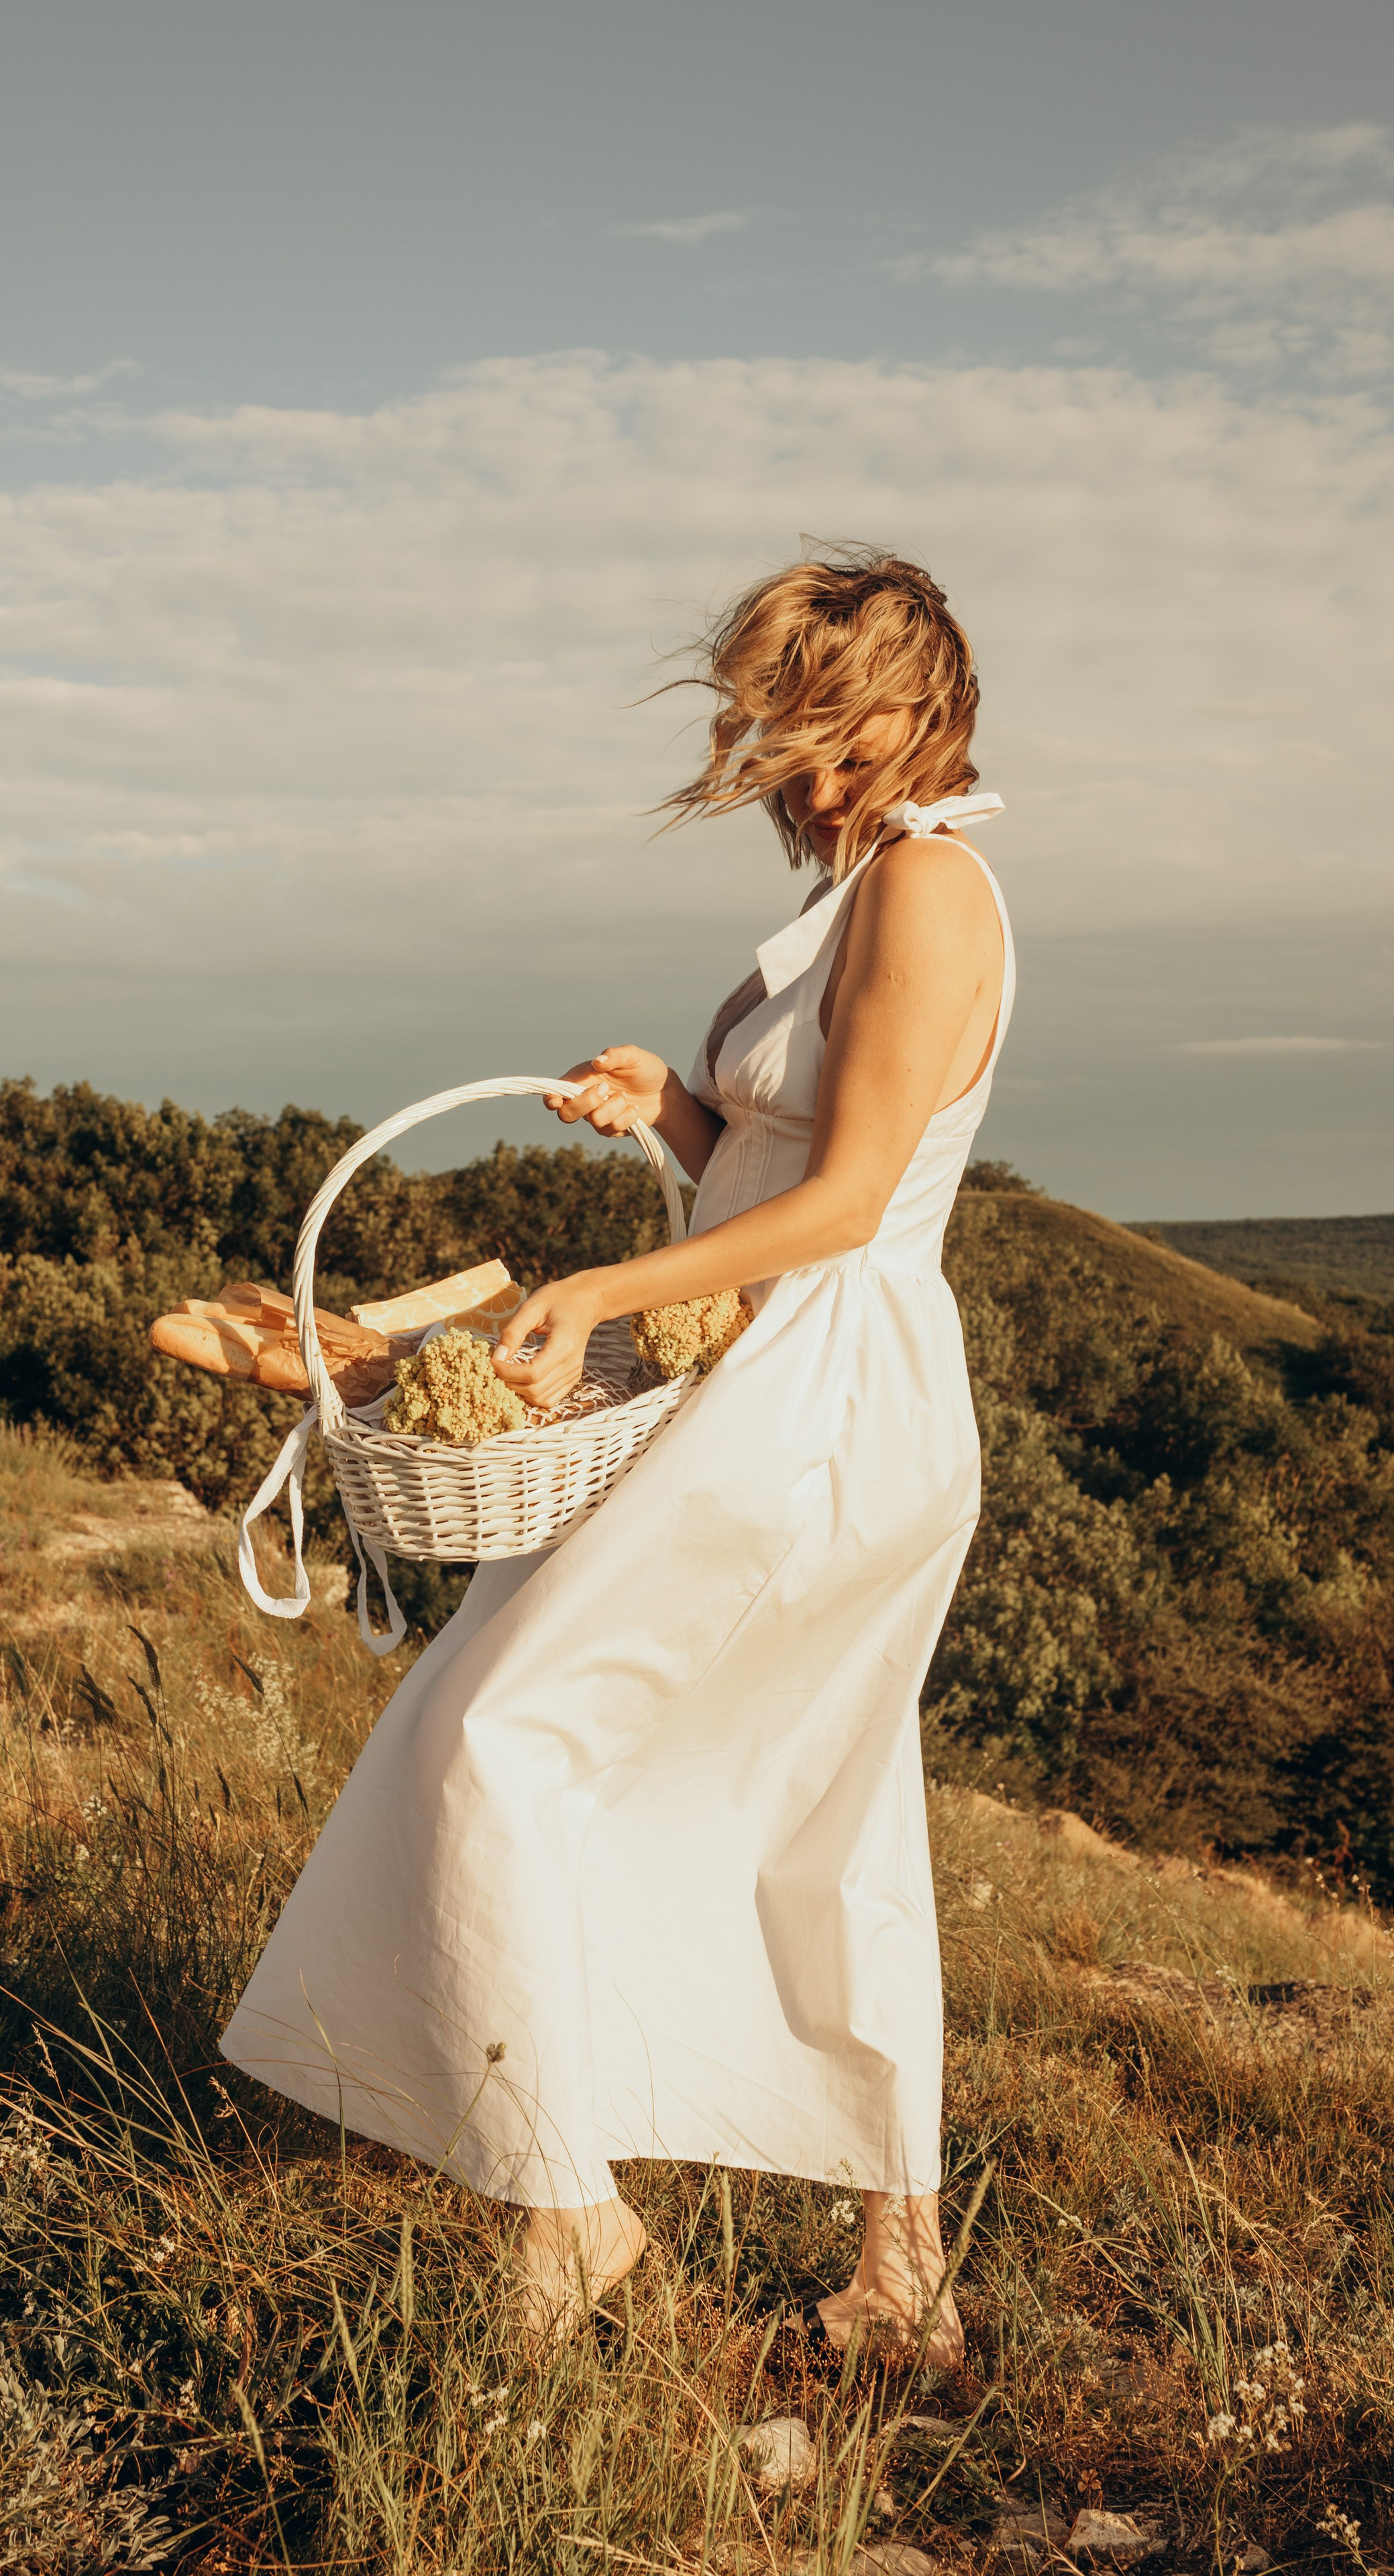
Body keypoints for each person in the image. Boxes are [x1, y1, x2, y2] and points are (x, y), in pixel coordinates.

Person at [220, 547, 1013, 2367]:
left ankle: (570, 2219)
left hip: (818, 1397)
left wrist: (597, 1289)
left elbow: (849, 1200)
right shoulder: (872, 886)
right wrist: (671, 1106)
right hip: (791, 1380)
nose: (801, 768)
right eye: (779, 727)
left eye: (836, 724)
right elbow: (777, 1153)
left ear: (922, 708)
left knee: (489, 1738)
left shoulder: (933, 891)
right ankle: (907, 2281)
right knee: (825, 1796)